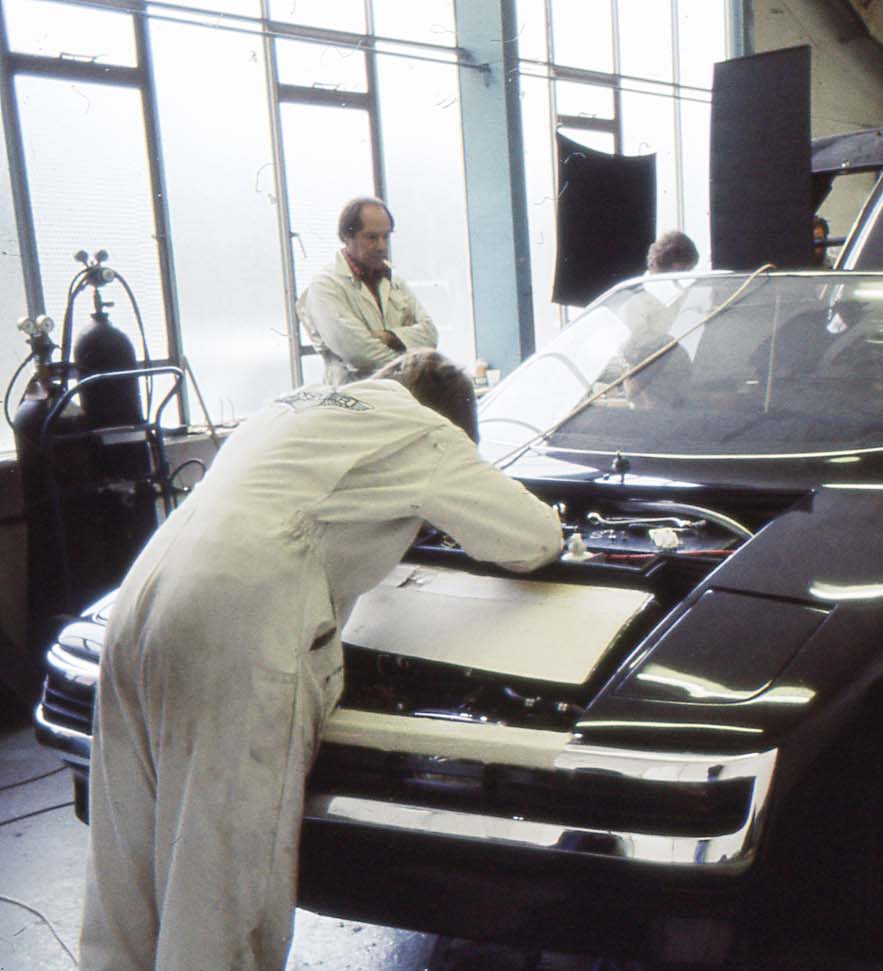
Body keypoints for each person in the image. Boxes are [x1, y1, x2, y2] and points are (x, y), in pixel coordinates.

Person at [80, 350, 563, 971]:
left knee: (128, 867)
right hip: (237, 620)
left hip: (139, 600)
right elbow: (531, 537)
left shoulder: (290, 405)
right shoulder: (423, 430)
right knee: (220, 878)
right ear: (454, 422)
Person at [298, 196, 440, 386]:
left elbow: (430, 335)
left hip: (400, 396)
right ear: (347, 236)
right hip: (354, 398)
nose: (382, 246)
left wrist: (390, 336)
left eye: (386, 236)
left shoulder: (394, 282)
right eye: (371, 237)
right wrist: (411, 363)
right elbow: (358, 353)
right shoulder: (325, 286)